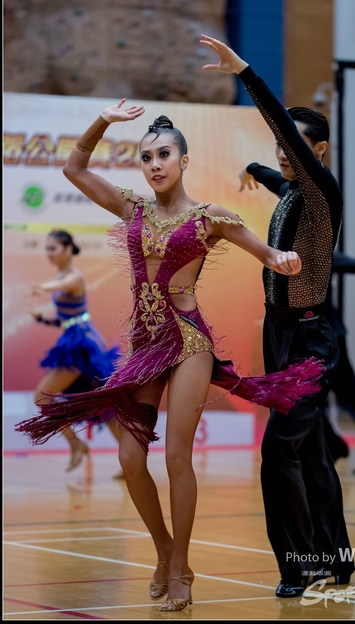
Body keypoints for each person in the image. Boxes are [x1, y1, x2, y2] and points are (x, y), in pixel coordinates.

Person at [16, 102, 325, 612]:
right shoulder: (132, 208)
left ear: (183, 161)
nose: (155, 164)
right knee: (129, 458)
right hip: (145, 347)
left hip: (188, 342)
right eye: (147, 157)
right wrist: (103, 122)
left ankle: (180, 567)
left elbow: (267, 254)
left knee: (176, 455)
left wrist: (284, 259)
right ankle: (162, 550)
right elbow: (74, 168)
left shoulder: (210, 217)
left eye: (164, 155)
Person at [200, 34, 355, 597]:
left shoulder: (321, 192)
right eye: (278, 149)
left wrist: (245, 72)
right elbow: (274, 174)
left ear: (319, 153)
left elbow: (287, 144)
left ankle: (299, 564)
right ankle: (335, 559)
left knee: (277, 452)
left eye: (292, 148)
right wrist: (252, 167)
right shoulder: (291, 187)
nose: (283, 155)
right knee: (309, 451)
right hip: (280, 334)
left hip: (310, 340)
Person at [238, 164, 355, 473]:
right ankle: (338, 447)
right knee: (308, 400)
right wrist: (251, 169)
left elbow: (341, 261)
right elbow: (276, 181)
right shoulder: (292, 207)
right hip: (304, 333)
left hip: (326, 334)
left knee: (349, 397)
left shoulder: (316, 245)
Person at [30, 229, 122, 475]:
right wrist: (42, 319)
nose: (49, 253)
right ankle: (129, 459)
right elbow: (66, 319)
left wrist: (43, 286)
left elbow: (62, 285)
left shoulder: (73, 277)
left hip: (83, 347)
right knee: (102, 406)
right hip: (74, 341)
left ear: (68, 249)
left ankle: (77, 445)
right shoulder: (62, 275)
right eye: (47, 248)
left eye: (53, 248)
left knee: (42, 397)